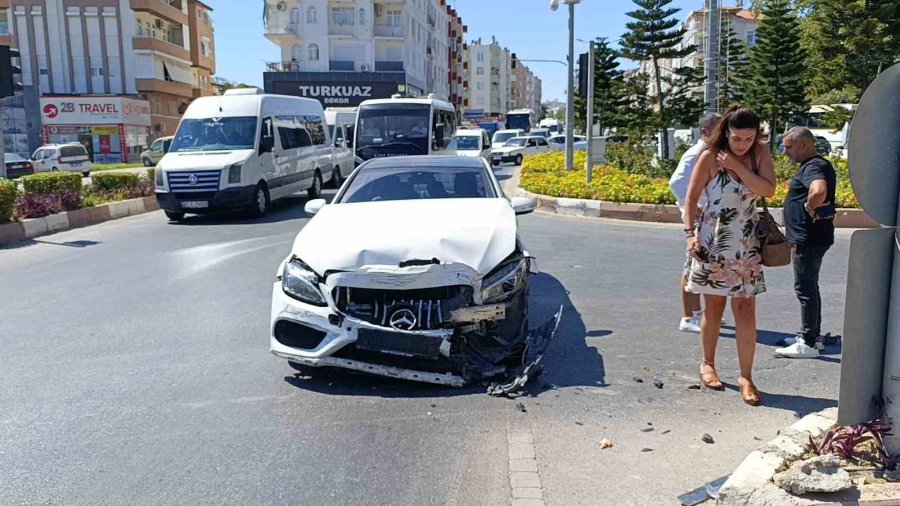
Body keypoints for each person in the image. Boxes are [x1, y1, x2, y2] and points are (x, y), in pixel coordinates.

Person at [684, 106, 776, 406]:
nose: (742, 144)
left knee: (746, 309)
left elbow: (768, 189)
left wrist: (738, 167)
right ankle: (707, 363)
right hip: (714, 240)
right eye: (737, 138)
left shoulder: (758, 154)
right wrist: (690, 234)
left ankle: (746, 376)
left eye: (749, 138)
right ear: (727, 132)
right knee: (714, 307)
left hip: (746, 242)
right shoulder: (710, 156)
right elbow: (692, 197)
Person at [774, 127, 837, 359]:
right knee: (810, 287)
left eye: (788, 147)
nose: (785, 153)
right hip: (814, 238)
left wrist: (810, 207)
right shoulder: (816, 165)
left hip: (809, 239)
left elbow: (818, 190)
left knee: (805, 289)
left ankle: (808, 343)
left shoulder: (813, 166)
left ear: (804, 145)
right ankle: (811, 336)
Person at [670, 112, 722, 333]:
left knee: (698, 266)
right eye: (720, 130)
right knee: (690, 267)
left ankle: (697, 312)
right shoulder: (696, 154)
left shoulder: (708, 152)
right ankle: (687, 316)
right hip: (698, 221)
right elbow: (676, 183)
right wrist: (694, 208)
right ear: (705, 132)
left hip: (705, 220)